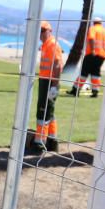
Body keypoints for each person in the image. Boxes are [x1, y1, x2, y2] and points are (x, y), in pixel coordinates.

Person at [33, 20, 64, 153]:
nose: (40, 34)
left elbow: (57, 65)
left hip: (49, 82)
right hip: (46, 81)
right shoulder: (46, 44)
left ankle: (40, 143)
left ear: (49, 31)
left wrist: (54, 85)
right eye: (39, 31)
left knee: (43, 111)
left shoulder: (52, 44)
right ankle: (52, 140)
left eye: (43, 31)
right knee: (49, 111)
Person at [68, 17, 105, 97]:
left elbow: (91, 38)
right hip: (102, 56)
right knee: (96, 73)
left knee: (84, 72)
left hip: (92, 54)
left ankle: (75, 90)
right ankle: (95, 91)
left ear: (94, 22)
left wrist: (93, 50)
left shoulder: (93, 29)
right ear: (101, 23)